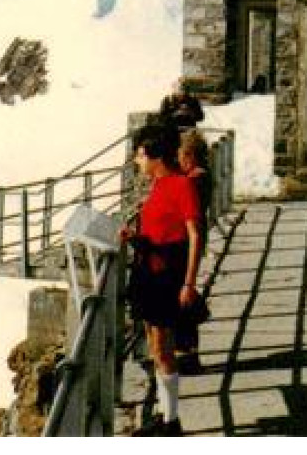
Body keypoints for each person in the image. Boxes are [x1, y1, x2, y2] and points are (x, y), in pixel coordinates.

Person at [123, 123, 202, 436]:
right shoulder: (160, 185)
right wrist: (134, 237)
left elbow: (195, 235)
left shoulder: (180, 185)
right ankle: (166, 416)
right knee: (156, 348)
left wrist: (189, 283)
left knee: (161, 348)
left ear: (155, 155)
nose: (137, 162)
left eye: (140, 155)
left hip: (165, 277)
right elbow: (160, 231)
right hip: (151, 272)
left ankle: (171, 423)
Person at [173, 130, 213, 374]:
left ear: (188, 156)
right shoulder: (199, 176)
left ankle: (187, 354)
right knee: (184, 295)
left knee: (184, 296)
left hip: (187, 241)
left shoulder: (195, 179)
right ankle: (187, 353)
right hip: (193, 238)